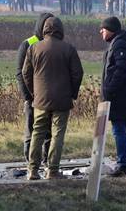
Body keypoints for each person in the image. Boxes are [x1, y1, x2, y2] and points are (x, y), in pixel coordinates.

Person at [22, 17, 83, 180]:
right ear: (61, 30)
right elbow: (78, 73)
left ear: (44, 29)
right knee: (57, 134)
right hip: (62, 100)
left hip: (40, 99)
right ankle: (52, 170)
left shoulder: (34, 48)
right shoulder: (69, 49)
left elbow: (25, 73)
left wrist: (34, 91)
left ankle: (32, 170)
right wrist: (72, 93)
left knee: (37, 132)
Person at [99, 16, 126, 176]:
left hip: (120, 97)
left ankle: (123, 165)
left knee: (120, 130)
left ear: (110, 30)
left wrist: (109, 91)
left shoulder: (119, 45)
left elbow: (120, 71)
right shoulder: (122, 43)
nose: (101, 32)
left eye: (103, 29)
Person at [16, 13, 54, 164]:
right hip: (32, 97)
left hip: (49, 97)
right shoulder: (28, 44)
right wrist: (27, 96)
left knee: (49, 131)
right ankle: (31, 162)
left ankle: (47, 161)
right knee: (31, 131)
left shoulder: (54, 44)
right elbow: (20, 72)